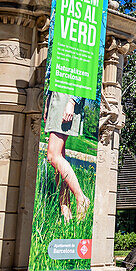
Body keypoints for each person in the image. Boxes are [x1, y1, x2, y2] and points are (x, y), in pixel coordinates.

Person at [43, 91, 90, 223]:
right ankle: (65, 212)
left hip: (66, 97)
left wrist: (72, 101)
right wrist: (48, 101)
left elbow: (85, 71)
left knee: (53, 156)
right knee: (60, 157)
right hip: (55, 97)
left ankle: (81, 198)